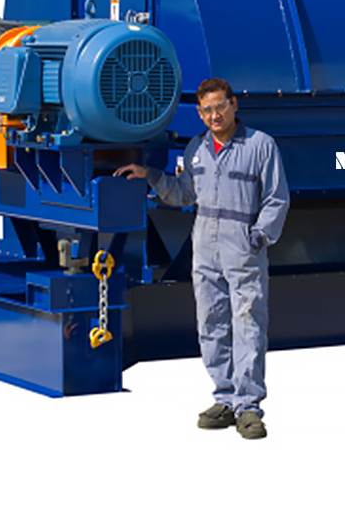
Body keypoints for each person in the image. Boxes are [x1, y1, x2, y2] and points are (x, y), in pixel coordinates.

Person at [114, 78, 289, 439]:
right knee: (210, 322)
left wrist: (258, 235)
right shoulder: (197, 149)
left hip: (243, 247)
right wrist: (149, 175)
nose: (215, 115)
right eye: (207, 110)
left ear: (233, 105)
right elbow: (183, 194)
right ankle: (224, 398)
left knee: (248, 324)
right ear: (199, 113)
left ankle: (249, 407)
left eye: (220, 106)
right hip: (205, 245)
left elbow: (276, 199)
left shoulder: (260, 145)